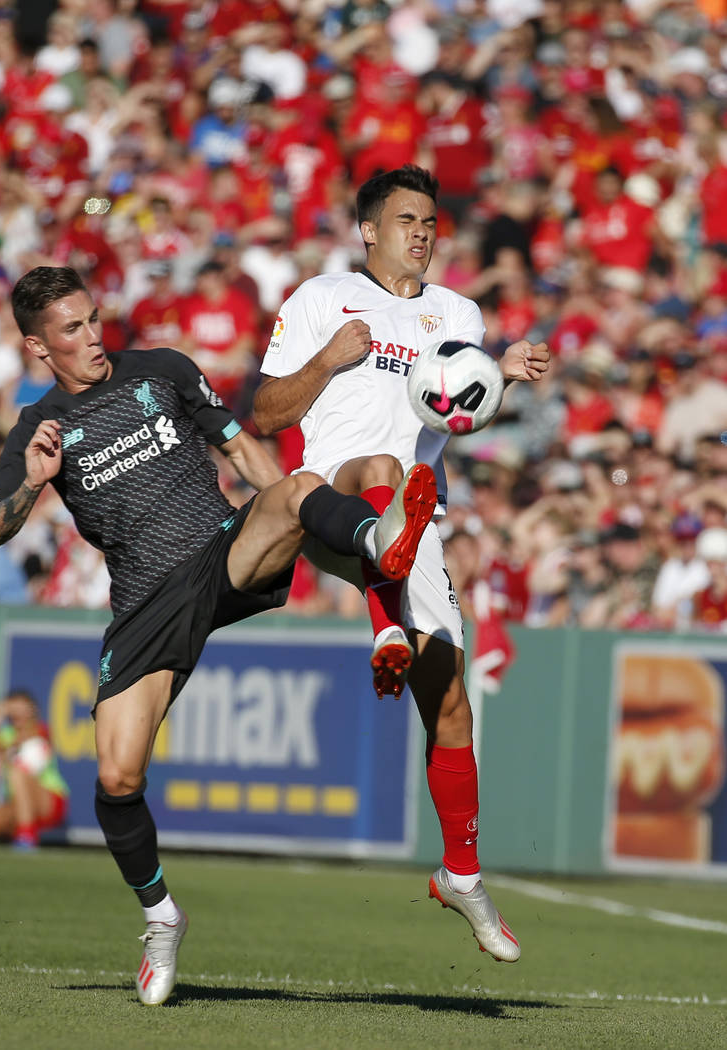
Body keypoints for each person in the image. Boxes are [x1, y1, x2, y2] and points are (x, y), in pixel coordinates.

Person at [0, 265, 440, 1005]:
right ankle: (162, 918)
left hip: (222, 550)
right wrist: (32, 481)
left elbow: (245, 452)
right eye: (72, 329)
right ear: (37, 346)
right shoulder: (40, 427)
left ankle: (380, 539)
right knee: (118, 779)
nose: (93, 336)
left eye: (94, 318)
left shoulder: (163, 370)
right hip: (145, 605)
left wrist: (294, 504)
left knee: (292, 486)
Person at [253, 164, 552, 964]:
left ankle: (461, 873)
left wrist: (499, 378)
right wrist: (327, 362)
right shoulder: (323, 299)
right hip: (330, 498)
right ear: (369, 230)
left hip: (418, 523)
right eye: (407, 219)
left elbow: (456, 414)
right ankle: (385, 623)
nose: (423, 233)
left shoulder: (459, 313)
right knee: (385, 473)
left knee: (450, 703)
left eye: (431, 222)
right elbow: (265, 410)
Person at [0, 689, 70, 850]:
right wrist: (1, 709)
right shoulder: (6, 734)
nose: (18, 713)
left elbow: (29, 737)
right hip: (19, 803)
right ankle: (21, 833)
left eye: (22, 708)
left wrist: (5, 753)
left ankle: (27, 835)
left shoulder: (41, 729)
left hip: (49, 800)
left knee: (17, 772)